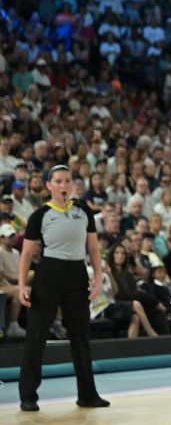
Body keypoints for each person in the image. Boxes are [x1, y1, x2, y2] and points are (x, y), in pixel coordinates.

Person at [17, 165, 110, 412]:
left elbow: (93, 250)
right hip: (48, 275)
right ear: (49, 185)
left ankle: (88, 395)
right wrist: (22, 284)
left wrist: (98, 278)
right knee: (36, 336)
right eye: (58, 181)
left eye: (67, 180)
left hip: (77, 274)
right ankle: (28, 396)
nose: (63, 185)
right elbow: (26, 254)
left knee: (81, 336)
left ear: (72, 184)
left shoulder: (84, 211)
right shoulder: (39, 215)